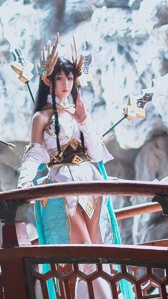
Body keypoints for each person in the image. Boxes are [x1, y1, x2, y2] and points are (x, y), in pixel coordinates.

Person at [16, 35, 118, 246]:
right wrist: (25, 180)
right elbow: (34, 154)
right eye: (60, 78)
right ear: (48, 80)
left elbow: (96, 154)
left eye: (70, 78)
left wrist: (84, 120)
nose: (66, 84)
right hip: (62, 183)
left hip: (90, 180)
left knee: (98, 246)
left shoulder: (78, 112)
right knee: (84, 249)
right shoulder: (41, 117)